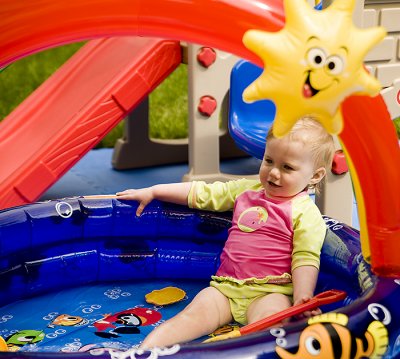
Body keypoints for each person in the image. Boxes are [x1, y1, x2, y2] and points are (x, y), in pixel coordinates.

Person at [116, 117, 335, 349]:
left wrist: (302, 298)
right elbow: (203, 194)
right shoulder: (246, 191)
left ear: (315, 176)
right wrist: (154, 191)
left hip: (270, 291)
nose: (273, 173)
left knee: (272, 324)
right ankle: (143, 351)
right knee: (189, 318)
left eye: (287, 167)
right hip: (225, 289)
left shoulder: (305, 213)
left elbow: (305, 258)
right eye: (269, 160)